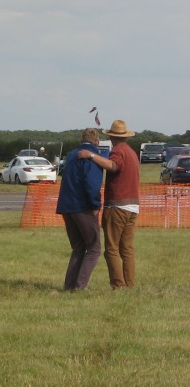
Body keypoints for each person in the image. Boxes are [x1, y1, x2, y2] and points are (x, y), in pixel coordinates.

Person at [79, 119, 139, 289]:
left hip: (117, 205)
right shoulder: (132, 152)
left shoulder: (118, 151)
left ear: (112, 137)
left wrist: (91, 155)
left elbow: (113, 166)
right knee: (127, 248)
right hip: (133, 205)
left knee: (111, 248)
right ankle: (130, 284)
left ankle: (118, 286)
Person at [56, 129, 104, 291]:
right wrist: (95, 205)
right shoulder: (91, 157)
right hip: (83, 207)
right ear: (97, 141)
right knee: (94, 248)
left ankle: (69, 285)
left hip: (66, 206)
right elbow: (92, 184)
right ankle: (80, 286)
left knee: (77, 248)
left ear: (81, 139)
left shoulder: (71, 155)